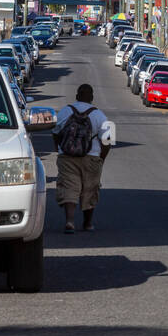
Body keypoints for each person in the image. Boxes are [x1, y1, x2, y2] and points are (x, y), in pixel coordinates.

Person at [51, 83, 111, 234]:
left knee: (69, 187)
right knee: (90, 189)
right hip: (92, 157)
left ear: (76, 96)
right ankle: (88, 223)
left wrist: (58, 149)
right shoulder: (100, 115)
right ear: (92, 98)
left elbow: (55, 132)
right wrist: (101, 159)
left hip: (67, 156)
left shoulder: (65, 111)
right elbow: (108, 141)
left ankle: (70, 221)